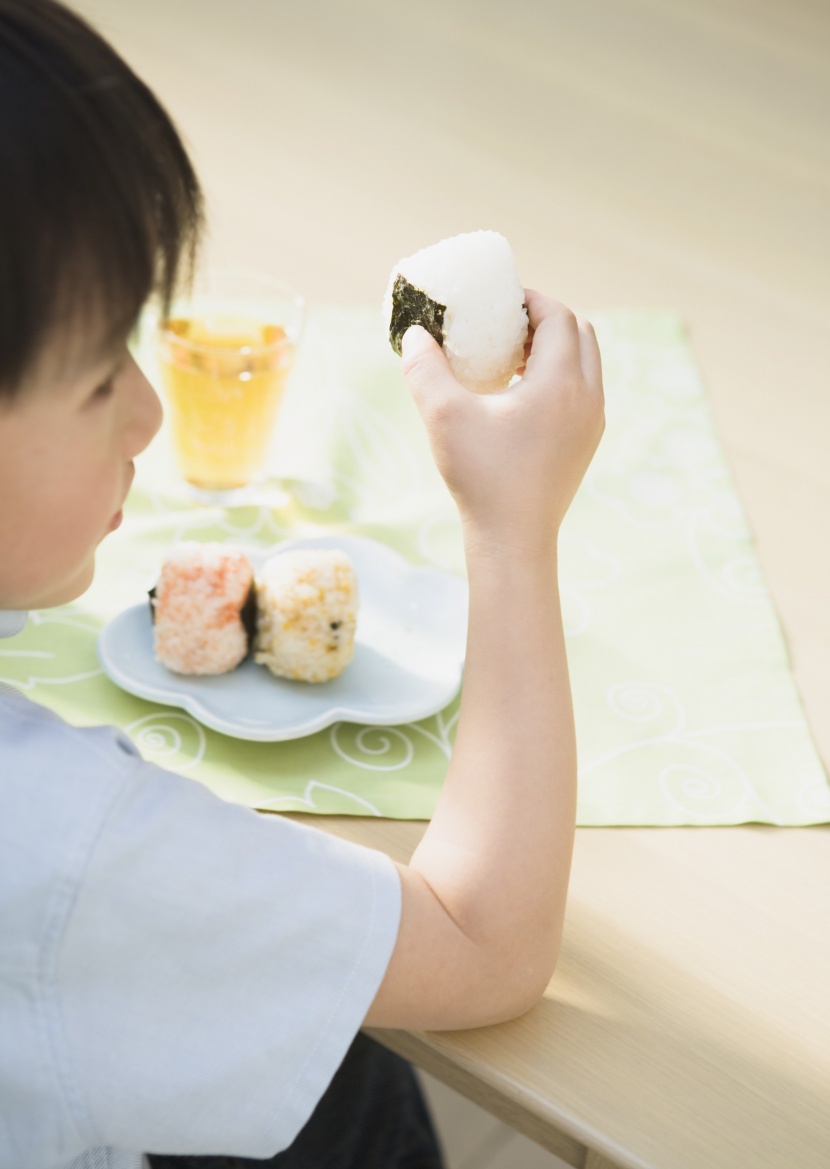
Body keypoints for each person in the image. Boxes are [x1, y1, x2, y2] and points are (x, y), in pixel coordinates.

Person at [0, 1, 605, 1167]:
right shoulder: (64, 844)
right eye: (88, 379)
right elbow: (484, 946)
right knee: (358, 1062)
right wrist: (512, 528)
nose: (147, 410)